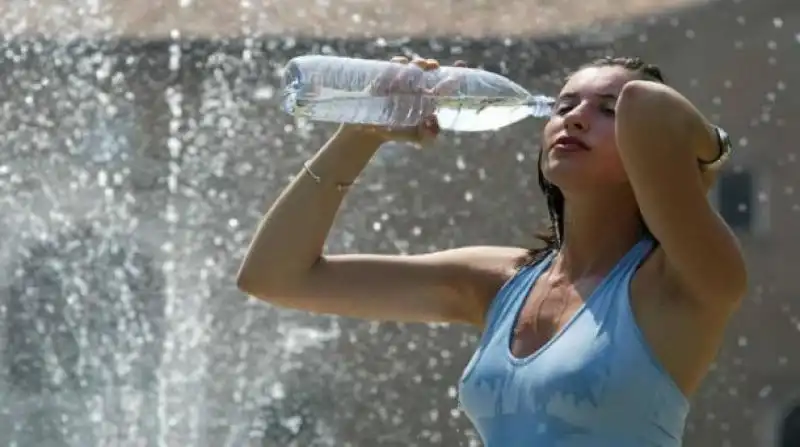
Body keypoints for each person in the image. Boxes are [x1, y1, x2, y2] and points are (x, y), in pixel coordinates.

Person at [236, 55, 747, 446]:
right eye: (564, 106)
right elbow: (274, 276)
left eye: (607, 111)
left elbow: (649, 104)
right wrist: (363, 130)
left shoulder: (685, 281)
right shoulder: (500, 281)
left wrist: (710, 154)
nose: (573, 119)